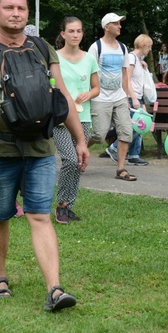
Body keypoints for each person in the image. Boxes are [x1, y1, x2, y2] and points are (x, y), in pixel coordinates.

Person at [0, 0, 88, 311]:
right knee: (0, 214)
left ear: (27, 13)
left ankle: (55, 289)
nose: (16, 13)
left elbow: (62, 96)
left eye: (21, 8)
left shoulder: (43, 47)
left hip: (41, 148)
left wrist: (80, 139)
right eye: (9, 8)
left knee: (40, 216)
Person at [53, 16, 100, 224]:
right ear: (63, 34)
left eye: (78, 31)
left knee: (79, 162)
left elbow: (97, 88)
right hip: (62, 118)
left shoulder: (89, 58)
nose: (75, 35)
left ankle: (68, 206)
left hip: (83, 117)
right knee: (70, 159)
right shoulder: (54, 57)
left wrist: (88, 95)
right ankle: (61, 204)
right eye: (71, 31)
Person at [88, 12, 138, 182]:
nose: (119, 26)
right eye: (116, 23)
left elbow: (125, 75)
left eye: (119, 23)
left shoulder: (123, 48)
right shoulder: (96, 47)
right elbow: (89, 72)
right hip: (100, 98)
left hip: (119, 97)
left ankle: (121, 169)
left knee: (126, 132)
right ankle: (80, 150)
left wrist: (128, 96)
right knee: (99, 135)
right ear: (106, 27)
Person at [104, 34, 153, 166]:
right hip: (133, 98)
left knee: (142, 125)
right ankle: (114, 147)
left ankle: (133, 154)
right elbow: (127, 80)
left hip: (139, 97)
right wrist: (133, 98)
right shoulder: (131, 59)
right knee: (136, 126)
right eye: (148, 47)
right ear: (142, 46)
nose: (149, 50)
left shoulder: (138, 60)